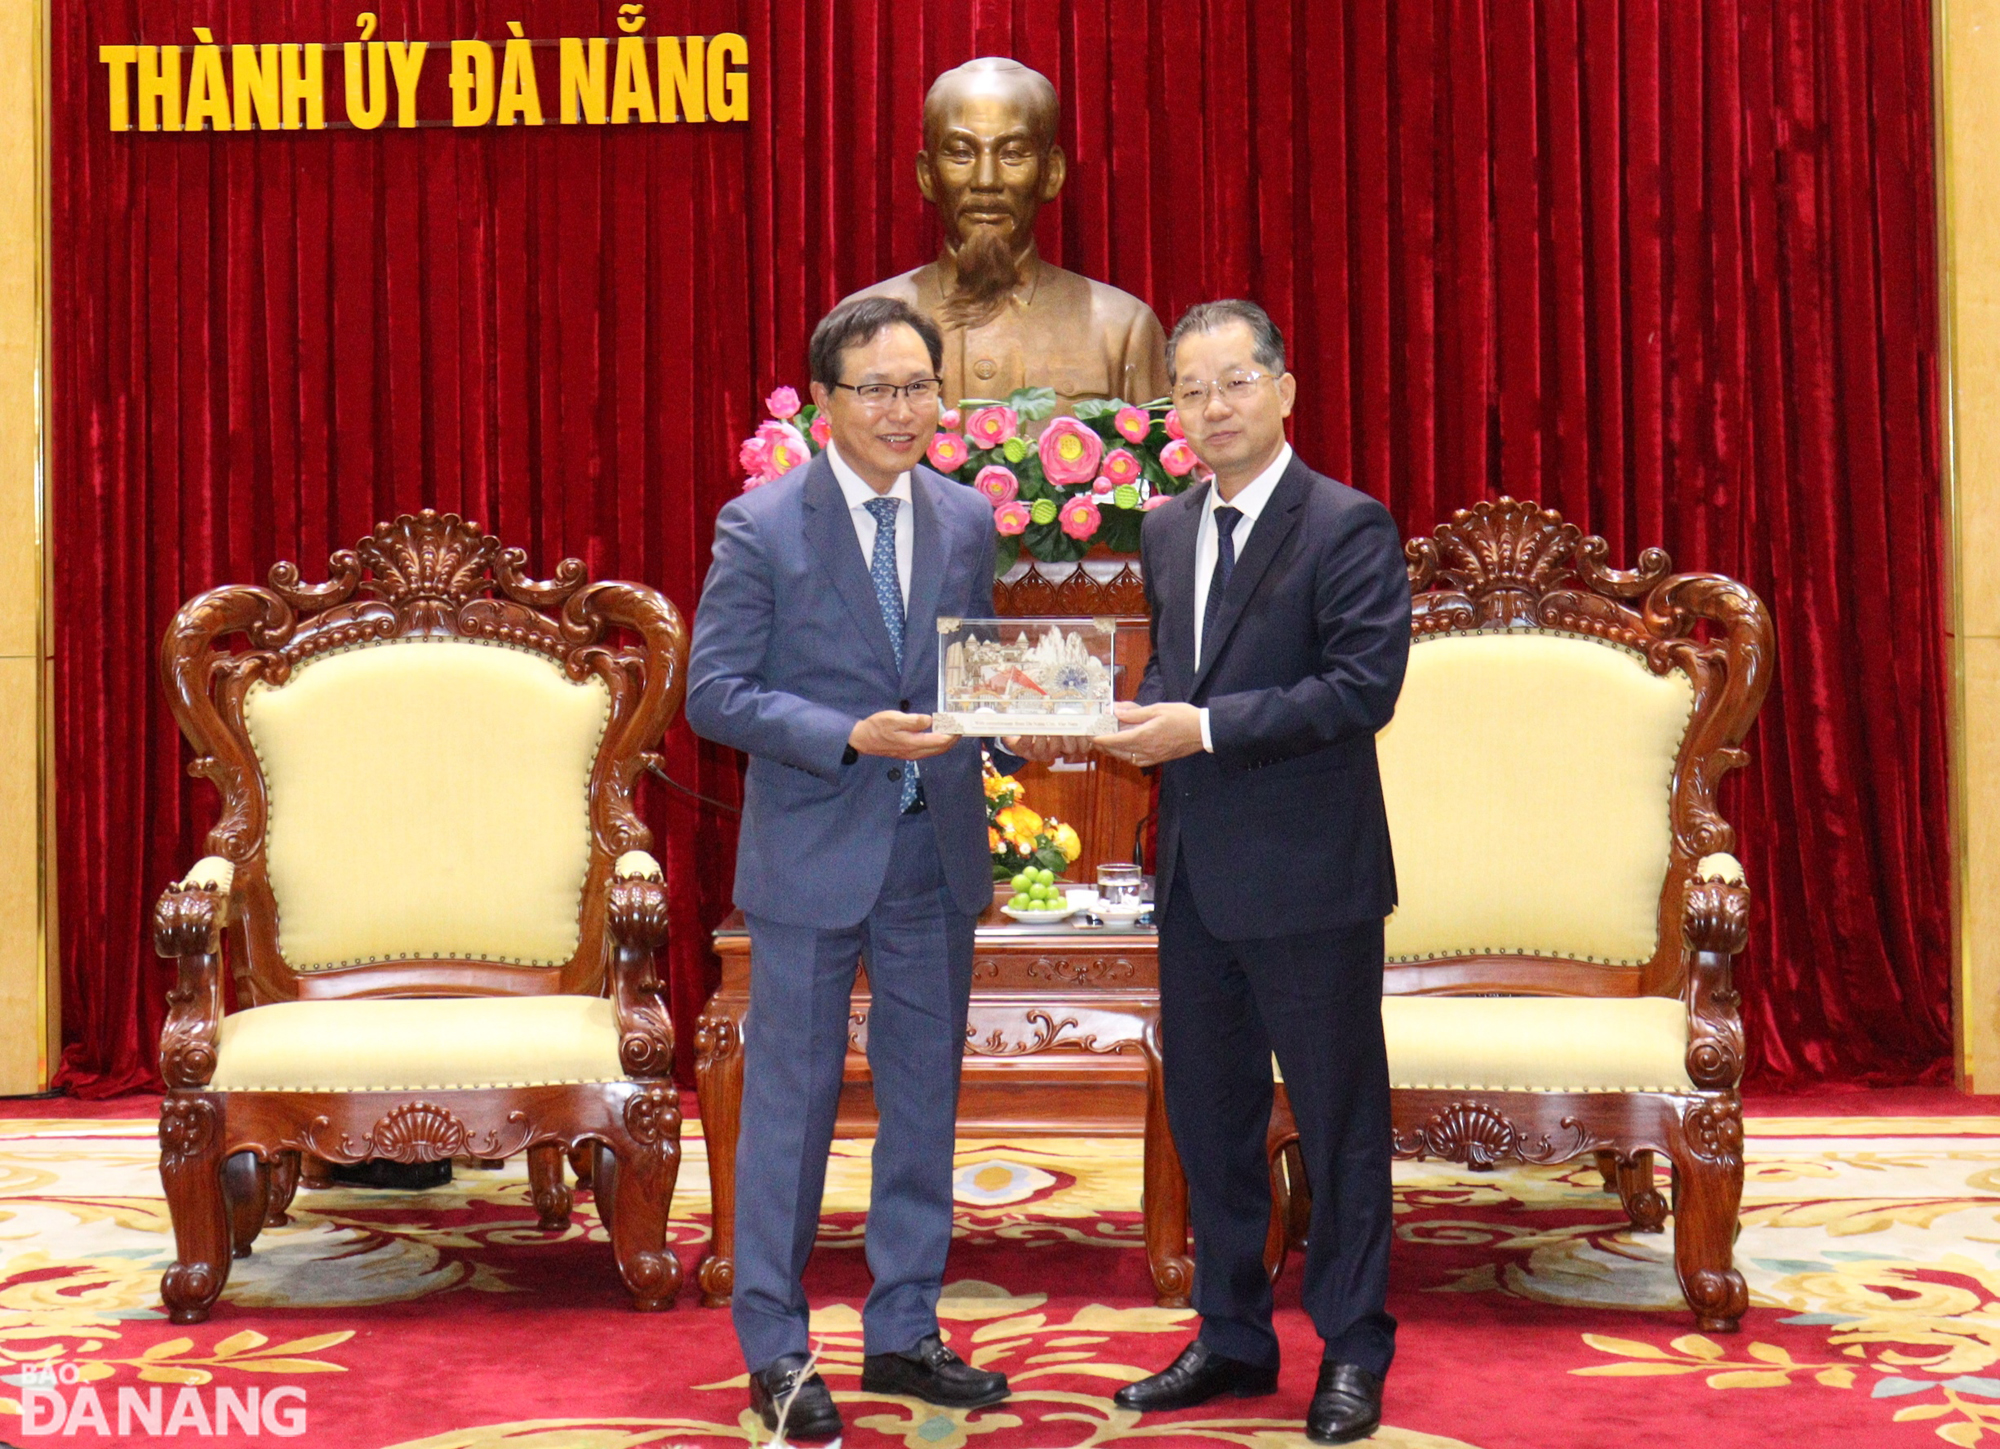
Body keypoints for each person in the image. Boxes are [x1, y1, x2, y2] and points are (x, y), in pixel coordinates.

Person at [686, 296, 1043, 1443]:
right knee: (787, 1112)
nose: (901, 410)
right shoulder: (762, 525)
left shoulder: (963, 518)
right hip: (807, 854)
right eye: (876, 390)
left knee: (924, 1105)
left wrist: (1030, 715)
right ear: (826, 404)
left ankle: (903, 1330)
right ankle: (776, 1352)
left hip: (929, 854)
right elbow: (715, 693)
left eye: (918, 387)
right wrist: (846, 732)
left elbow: (974, 670)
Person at [1092, 300, 1411, 1445]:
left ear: (1282, 390)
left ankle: (1352, 1348)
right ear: (1171, 411)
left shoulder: (1346, 525)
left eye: (1234, 382)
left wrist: (1203, 730)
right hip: (1194, 878)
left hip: (1311, 877)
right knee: (1210, 1118)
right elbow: (1180, 676)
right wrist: (1126, 723)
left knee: (1335, 1123)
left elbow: (1360, 690)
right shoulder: (1167, 529)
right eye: (1190, 389)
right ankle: (1230, 1336)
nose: (1212, 408)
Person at [847, 57, 1168, 409]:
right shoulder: (859, 326)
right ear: (926, 174)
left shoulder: (1121, 329)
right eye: (961, 153)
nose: (986, 181)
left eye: (1013, 154)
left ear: (1051, 173)